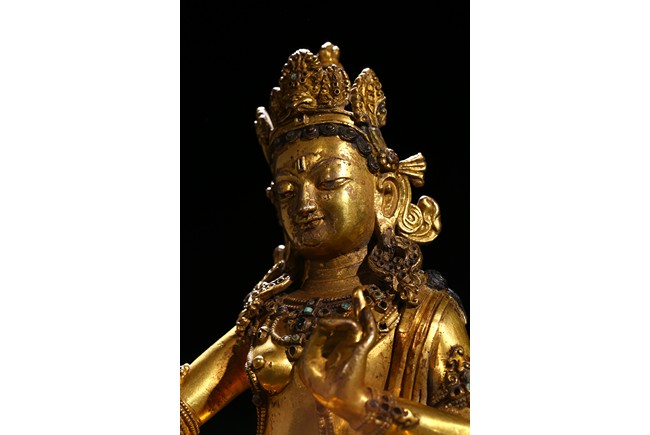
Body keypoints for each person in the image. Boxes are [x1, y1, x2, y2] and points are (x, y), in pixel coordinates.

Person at [180, 42, 470, 435]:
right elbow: (183, 406)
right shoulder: (270, 313)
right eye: (287, 190)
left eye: (330, 181)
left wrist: (362, 406)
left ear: (385, 195)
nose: (304, 203)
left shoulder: (422, 315)